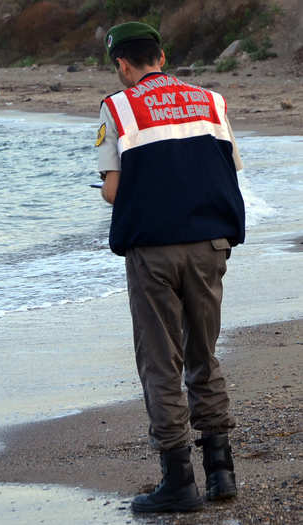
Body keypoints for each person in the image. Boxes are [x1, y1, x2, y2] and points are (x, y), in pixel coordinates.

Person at [95, 22, 245, 513]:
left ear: (121, 64)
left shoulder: (117, 107)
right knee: (204, 353)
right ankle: (222, 473)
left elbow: (114, 192)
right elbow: (229, 168)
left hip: (154, 251)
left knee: (161, 362)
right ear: (161, 55)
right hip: (209, 245)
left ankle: (178, 481)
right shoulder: (212, 101)